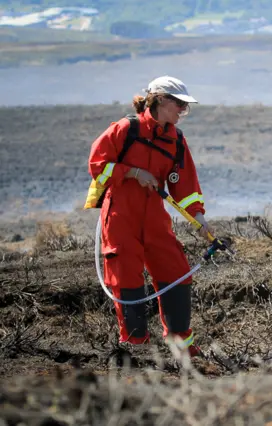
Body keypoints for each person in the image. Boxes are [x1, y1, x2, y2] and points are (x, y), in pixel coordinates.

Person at [85, 75, 212, 357]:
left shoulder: (176, 139)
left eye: (185, 107)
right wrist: (131, 172)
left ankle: (181, 346)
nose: (183, 111)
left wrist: (199, 218)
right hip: (120, 214)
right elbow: (97, 165)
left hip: (154, 217)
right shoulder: (125, 129)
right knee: (126, 279)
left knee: (176, 272)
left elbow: (185, 185)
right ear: (160, 100)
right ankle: (136, 347)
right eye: (179, 104)